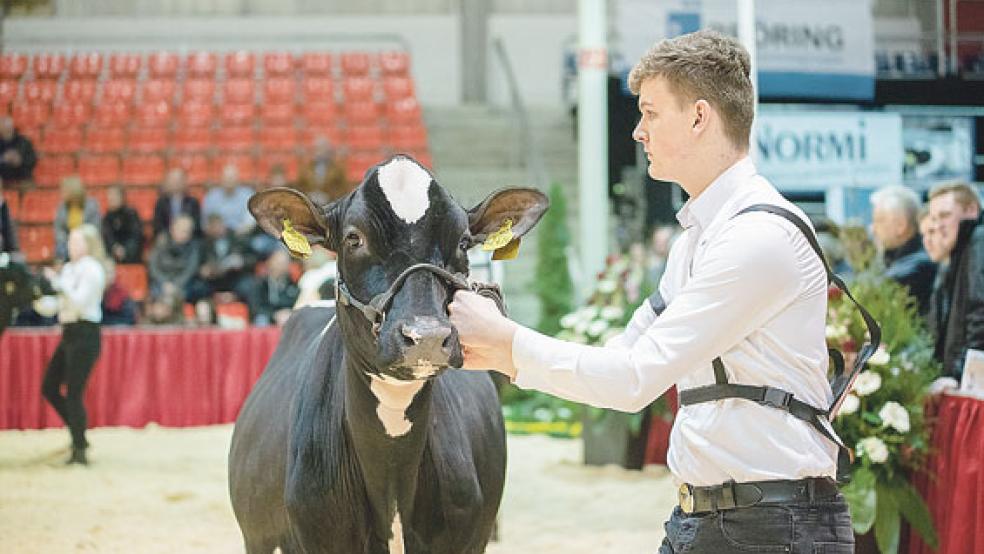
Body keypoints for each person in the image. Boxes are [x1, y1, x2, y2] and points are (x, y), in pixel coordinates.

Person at [449, 30, 856, 553]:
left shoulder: (758, 237)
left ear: (699, 117)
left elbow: (634, 378)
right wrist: (501, 351)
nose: (638, 131)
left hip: (775, 527)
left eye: (650, 113)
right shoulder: (696, 240)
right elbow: (621, 358)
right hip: (708, 519)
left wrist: (507, 342)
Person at [40, 224, 110, 465]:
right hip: (69, 331)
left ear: (89, 245)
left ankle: (79, 448)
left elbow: (79, 302)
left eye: (76, 241)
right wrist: (36, 298)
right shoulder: (69, 269)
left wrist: (58, 284)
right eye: (70, 241)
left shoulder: (93, 269)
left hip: (86, 332)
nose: (71, 246)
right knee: (49, 387)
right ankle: (78, 433)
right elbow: (58, 306)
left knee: (74, 393)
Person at [926, 181, 983, 381]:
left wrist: (960, 376)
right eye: (933, 218)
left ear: (971, 211)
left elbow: (980, 312)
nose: (937, 225)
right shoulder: (960, 250)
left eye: (944, 215)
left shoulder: (979, 241)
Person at [869, 185, 937, 315]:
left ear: (901, 225)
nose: (873, 229)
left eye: (879, 221)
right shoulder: (893, 261)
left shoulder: (914, 271)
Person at [197, 213, 255, 303]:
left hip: (235, 278)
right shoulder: (203, 243)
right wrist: (204, 270)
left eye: (220, 225)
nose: (218, 229)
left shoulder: (236, 237)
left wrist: (241, 262)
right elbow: (198, 265)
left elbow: (252, 258)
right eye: (214, 227)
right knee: (198, 288)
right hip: (214, 280)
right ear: (209, 229)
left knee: (248, 285)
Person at [147, 215, 201, 301]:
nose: (184, 234)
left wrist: (176, 284)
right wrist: (164, 282)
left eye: (187, 231)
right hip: (160, 283)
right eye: (181, 230)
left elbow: (190, 270)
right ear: (172, 229)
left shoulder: (193, 247)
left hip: (183, 284)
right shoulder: (161, 242)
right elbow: (153, 266)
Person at [54, 176, 101, 261]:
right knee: (60, 248)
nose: (62, 194)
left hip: (86, 241)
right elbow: (58, 229)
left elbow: (94, 229)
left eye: (65, 191)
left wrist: (80, 239)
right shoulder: (62, 207)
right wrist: (69, 241)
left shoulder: (91, 205)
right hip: (67, 243)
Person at [202, 163, 255, 237]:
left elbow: (250, 220)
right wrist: (214, 229)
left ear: (238, 179)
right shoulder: (211, 196)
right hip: (217, 236)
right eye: (226, 178)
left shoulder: (248, 195)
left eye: (232, 177)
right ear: (221, 179)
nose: (229, 180)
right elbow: (206, 221)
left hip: (242, 235)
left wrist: (242, 230)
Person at [250, 249, 298, 326]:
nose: (281, 267)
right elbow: (256, 307)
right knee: (261, 319)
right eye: (279, 263)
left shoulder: (293, 284)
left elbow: (297, 304)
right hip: (268, 316)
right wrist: (274, 315)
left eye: (285, 263)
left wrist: (289, 313)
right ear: (270, 263)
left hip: (287, 315)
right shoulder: (260, 284)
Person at [296, 135, 348, 204]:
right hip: (310, 205)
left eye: (322, 148)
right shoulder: (306, 168)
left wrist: (329, 197)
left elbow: (343, 189)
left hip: (331, 205)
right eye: (317, 148)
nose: (319, 152)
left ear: (328, 150)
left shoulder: (337, 169)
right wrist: (308, 196)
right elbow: (300, 187)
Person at [101, 185, 145, 264]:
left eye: (114, 195)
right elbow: (107, 237)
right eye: (109, 195)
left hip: (131, 255)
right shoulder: (107, 217)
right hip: (112, 256)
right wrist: (115, 248)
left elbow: (136, 236)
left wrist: (125, 250)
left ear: (122, 197)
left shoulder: (131, 214)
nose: (111, 198)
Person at [152, 168, 201, 238]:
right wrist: (172, 233)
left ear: (184, 182)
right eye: (173, 180)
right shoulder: (161, 203)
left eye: (178, 180)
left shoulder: (193, 202)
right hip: (168, 237)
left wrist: (184, 233)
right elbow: (158, 225)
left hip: (188, 237)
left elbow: (196, 225)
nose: (176, 183)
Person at [0, 116, 38, 189]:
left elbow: (32, 159)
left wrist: (20, 160)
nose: (6, 130)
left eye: (8, 127)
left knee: (28, 186)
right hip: (3, 179)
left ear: (12, 127)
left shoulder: (24, 142)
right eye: (3, 128)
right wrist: (3, 158)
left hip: (22, 177)